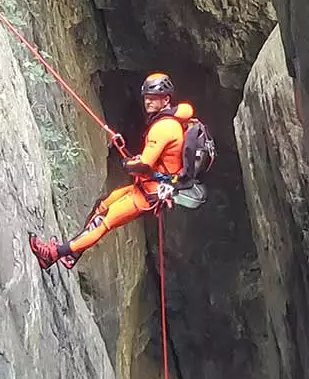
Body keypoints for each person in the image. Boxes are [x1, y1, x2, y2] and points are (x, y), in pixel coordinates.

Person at [28, 73, 193, 270]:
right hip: (148, 187)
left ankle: (54, 254)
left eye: (154, 97)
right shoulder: (173, 120)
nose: (148, 101)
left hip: (150, 194)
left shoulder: (164, 127)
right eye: (147, 97)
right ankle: (73, 253)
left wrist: (127, 163)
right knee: (104, 205)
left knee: (105, 221)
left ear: (166, 99)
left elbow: (144, 166)